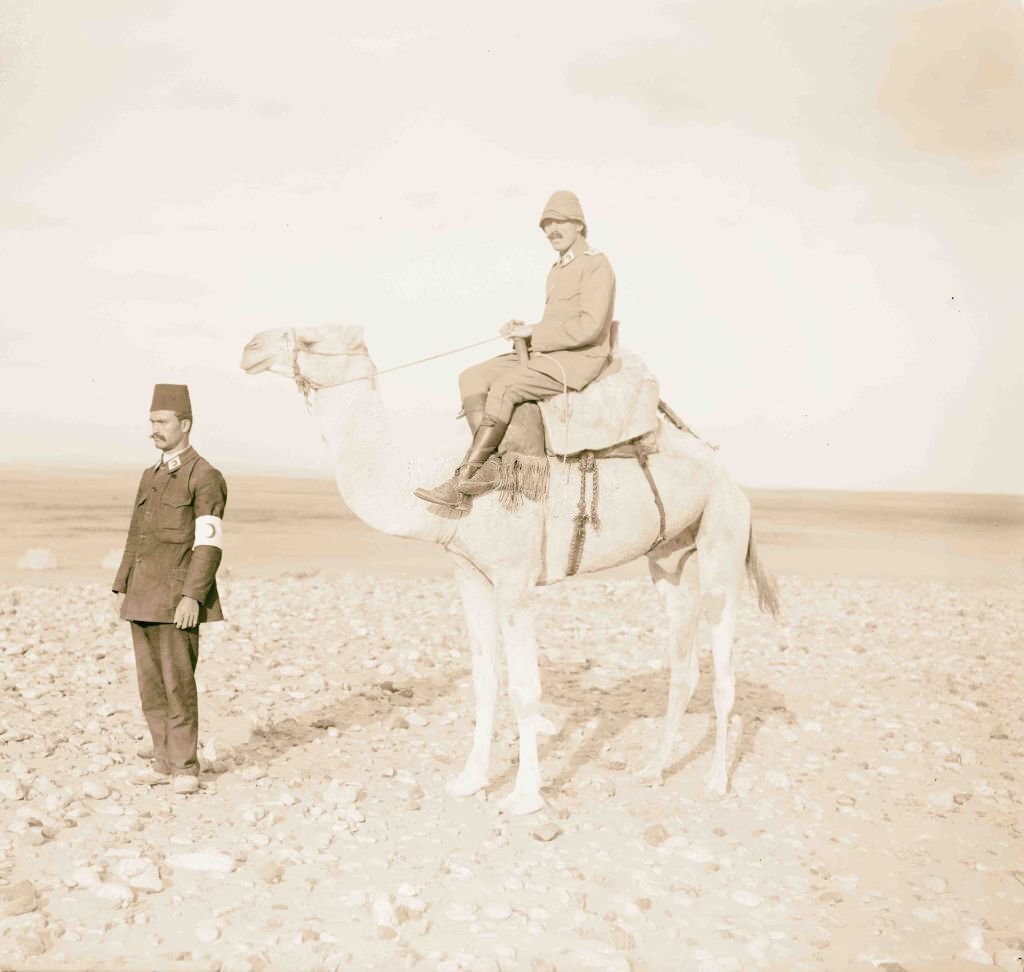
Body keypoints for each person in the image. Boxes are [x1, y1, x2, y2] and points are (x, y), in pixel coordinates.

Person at [415, 190, 616, 510]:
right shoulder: (558, 268)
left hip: (580, 358)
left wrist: (534, 332)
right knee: (471, 377)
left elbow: (589, 327)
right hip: (551, 351)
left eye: (560, 222)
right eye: (546, 224)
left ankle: (465, 480)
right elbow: (559, 323)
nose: (552, 230)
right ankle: (495, 465)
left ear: (579, 224)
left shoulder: (596, 264)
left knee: (506, 386)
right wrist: (524, 329)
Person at [112, 384, 227, 795]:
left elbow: (208, 545)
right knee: (151, 686)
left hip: (178, 600)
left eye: (162, 422)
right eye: (152, 421)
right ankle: (162, 761)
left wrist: (193, 596)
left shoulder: (205, 476)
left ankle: (184, 767)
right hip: (142, 596)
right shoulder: (151, 475)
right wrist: (123, 585)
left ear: (185, 424)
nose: (154, 429)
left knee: (178, 685)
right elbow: (136, 535)